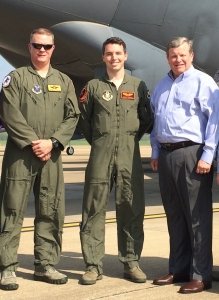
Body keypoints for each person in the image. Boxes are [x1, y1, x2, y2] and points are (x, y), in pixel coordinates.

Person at [0, 28, 80, 290]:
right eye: (37, 45)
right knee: (11, 211)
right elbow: (10, 113)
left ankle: (45, 264)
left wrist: (53, 142)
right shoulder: (16, 78)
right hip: (20, 156)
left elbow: (73, 116)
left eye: (47, 46)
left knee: (51, 210)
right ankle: (7, 267)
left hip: (52, 156)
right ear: (29, 47)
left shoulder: (64, 81)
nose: (42, 50)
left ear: (53, 48)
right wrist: (34, 143)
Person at [78, 37, 153, 285]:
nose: (114, 58)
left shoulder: (138, 85)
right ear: (103, 57)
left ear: (126, 55)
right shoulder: (93, 86)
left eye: (118, 53)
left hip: (128, 157)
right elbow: (85, 122)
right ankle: (92, 265)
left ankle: (131, 262)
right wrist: (102, 141)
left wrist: (129, 140)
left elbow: (146, 120)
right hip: (100, 154)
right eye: (109, 54)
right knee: (93, 209)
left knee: (131, 207)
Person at [150, 36, 219, 294]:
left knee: (197, 217)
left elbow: (214, 122)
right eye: (173, 56)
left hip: (192, 153)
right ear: (167, 58)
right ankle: (178, 268)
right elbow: (157, 123)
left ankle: (200, 274)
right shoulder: (162, 85)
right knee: (175, 215)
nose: (177, 60)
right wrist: (155, 151)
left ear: (191, 56)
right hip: (167, 155)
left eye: (182, 55)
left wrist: (208, 156)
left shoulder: (203, 82)